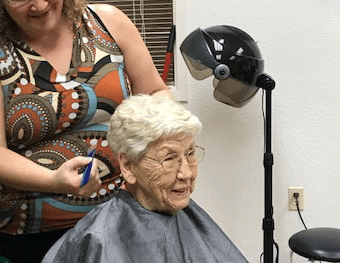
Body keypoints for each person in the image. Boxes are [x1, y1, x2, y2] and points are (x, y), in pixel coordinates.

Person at [0, 0, 169, 263]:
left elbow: (155, 93)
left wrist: (169, 143)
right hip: (37, 236)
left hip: (125, 216)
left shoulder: (109, 23)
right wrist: (54, 180)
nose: (38, 4)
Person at [42, 94, 249, 263]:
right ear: (128, 166)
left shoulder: (188, 217)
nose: (186, 173)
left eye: (190, 154)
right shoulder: (99, 238)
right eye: (169, 159)